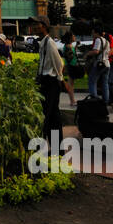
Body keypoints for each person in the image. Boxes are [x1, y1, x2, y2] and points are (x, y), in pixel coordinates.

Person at [35, 23, 65, 153]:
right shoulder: (43, 43)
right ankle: (57, 149)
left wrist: (58, 79)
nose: (34, 27)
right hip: (45, 81)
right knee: (53, 116)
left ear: (44, 27)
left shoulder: (50, 43)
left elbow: (59, 63)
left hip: (51, 82)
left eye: (37, 25)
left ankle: (42, 148)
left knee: (46, 115)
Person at [86, 27, 112, 103]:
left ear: (97, 33)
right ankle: (105, 101)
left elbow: (96, 51)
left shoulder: (98, 40)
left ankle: (94, 100)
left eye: (93, 32)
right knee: (105, 83)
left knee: (92, 81)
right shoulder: (107, 41)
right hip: (107, 64)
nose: (92, 34)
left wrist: (87, 54)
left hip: (100, 64)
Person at [60, 32, 82, 108]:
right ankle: (72, 101)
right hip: (71, 66)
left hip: (71, 66)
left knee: (71, 84)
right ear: (70, 38)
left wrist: (76, 46)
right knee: (70, 85)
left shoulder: (69, 45)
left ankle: (72, 101)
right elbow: (69, 57)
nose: (74, 37)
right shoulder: (68, 46)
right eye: (73, 36)